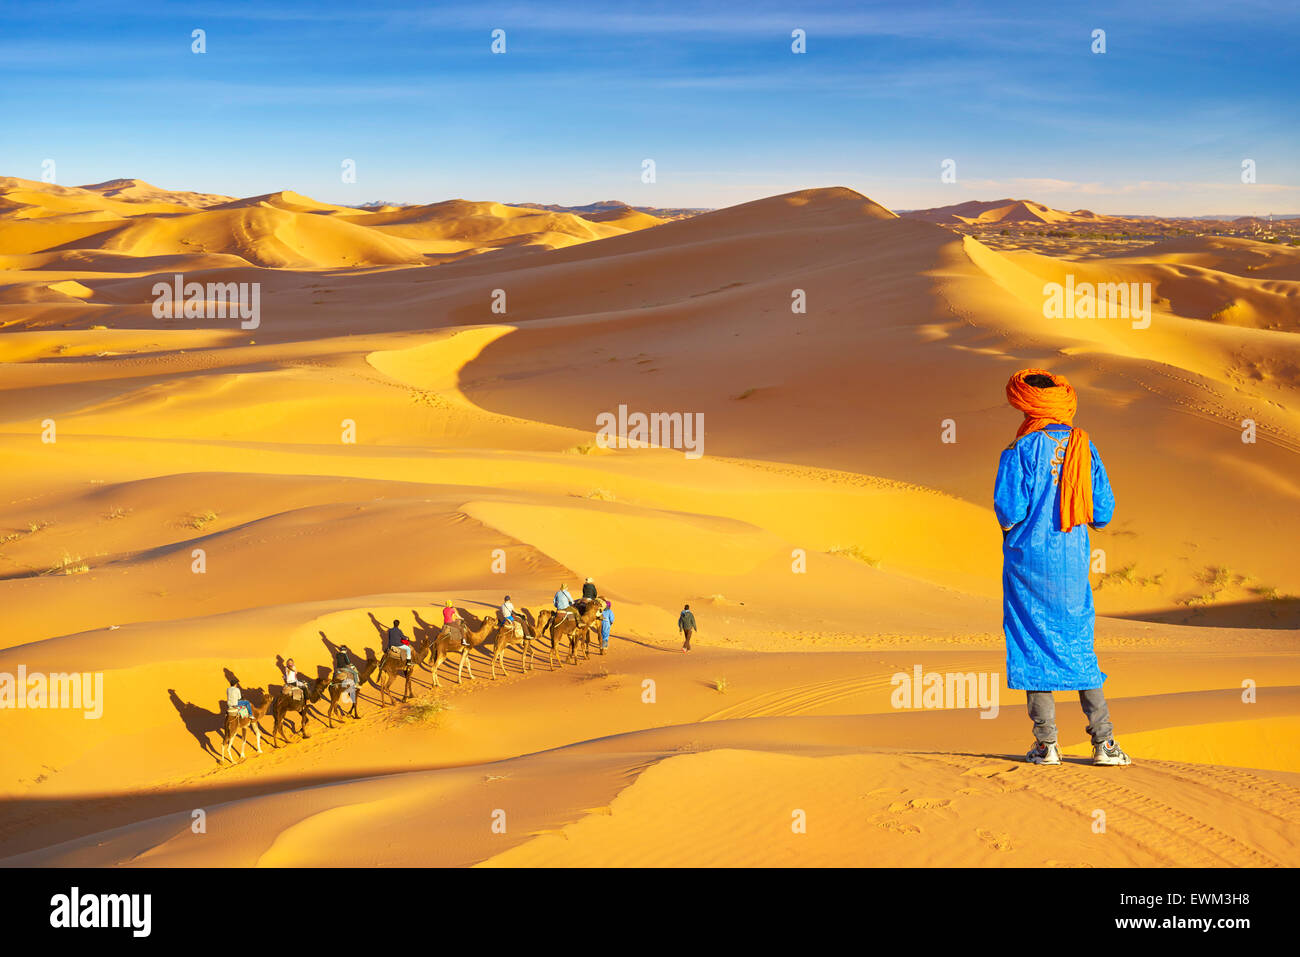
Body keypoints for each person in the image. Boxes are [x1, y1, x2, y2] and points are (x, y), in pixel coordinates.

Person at [995, 369, 1130, 767]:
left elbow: (1010, 510)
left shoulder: (1018, 450)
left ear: (1024, 402)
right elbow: (1103, 513)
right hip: (1071, 564)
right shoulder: (1084, 448)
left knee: (1030, 643)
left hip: (1026, 561)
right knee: (1078, 647)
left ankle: (1046, 745)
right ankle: (1104, 744)